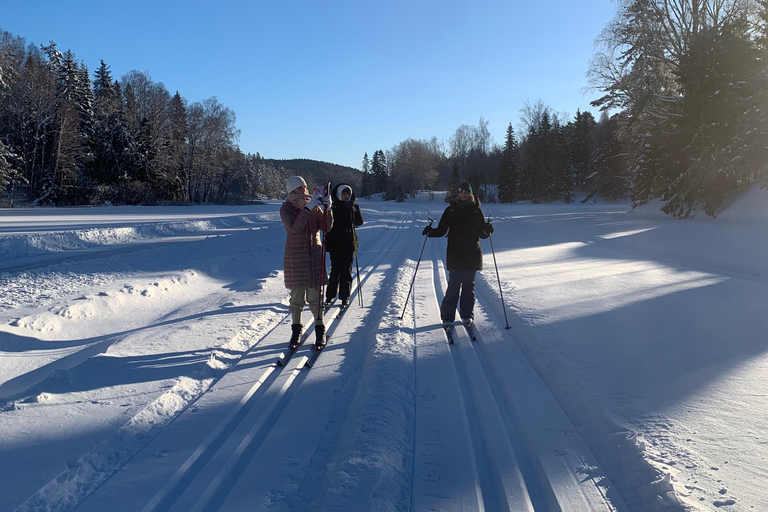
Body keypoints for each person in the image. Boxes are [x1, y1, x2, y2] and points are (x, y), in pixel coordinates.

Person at [422, 181, 493, 329]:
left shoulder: (476, 211)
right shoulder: (450, 210)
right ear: (458, 193)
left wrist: (487, 230)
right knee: (453, 285)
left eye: (467, 192)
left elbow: (482, 234)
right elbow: (441, 230)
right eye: (461, 192)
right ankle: (447, 317)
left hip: (472, 253)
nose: (464, 195)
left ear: (471, 194)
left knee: (468, 286)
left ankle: (467, 315)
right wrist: (431, 232)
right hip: (455, 252)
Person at [280, 176, 333, 349]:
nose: (304, 190)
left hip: (314, 255)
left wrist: (327, 209)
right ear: (291, 191)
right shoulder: (286, 209)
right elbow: (294, 228)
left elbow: (326, 228)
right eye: (299, 188)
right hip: (295, 257)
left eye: (304, 186)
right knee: (296, 298)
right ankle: (296, 330)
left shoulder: (313, 203)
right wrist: (307, 209)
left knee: (315, 297)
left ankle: (320, 329)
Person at [325, 183, 364, 309]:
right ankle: (330, 296)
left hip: (349, 243)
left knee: (346, 272)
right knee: (335, 271)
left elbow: (359, 222)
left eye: (348, 194)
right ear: (338, 194)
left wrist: (354, 211)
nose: (346, 196)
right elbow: (328, 224)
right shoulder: (332, 206)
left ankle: (345, 297)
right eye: (344, 193)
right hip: (335, 243)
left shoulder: (353, 205)